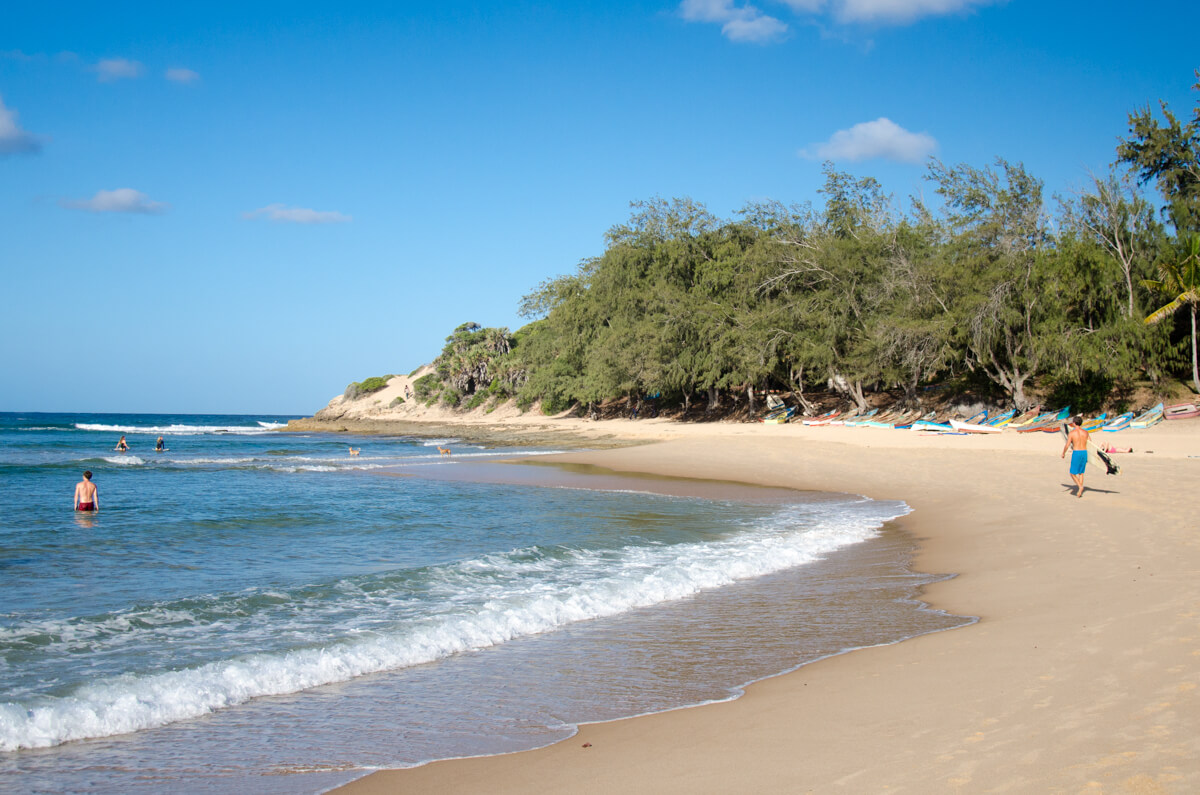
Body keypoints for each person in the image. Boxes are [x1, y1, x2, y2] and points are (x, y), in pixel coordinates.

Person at [1061, 415, 1090, 498]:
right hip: (1084, 452)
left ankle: (1080, 486)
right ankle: (1080, 490)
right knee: (1081, 472)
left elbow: (1067, 444)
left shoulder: (1072, 433)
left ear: (1074, 423)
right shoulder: (1085, 432)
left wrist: (1063, 453)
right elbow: (1090, 443)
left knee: (1072, 473)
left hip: (1076, 453)